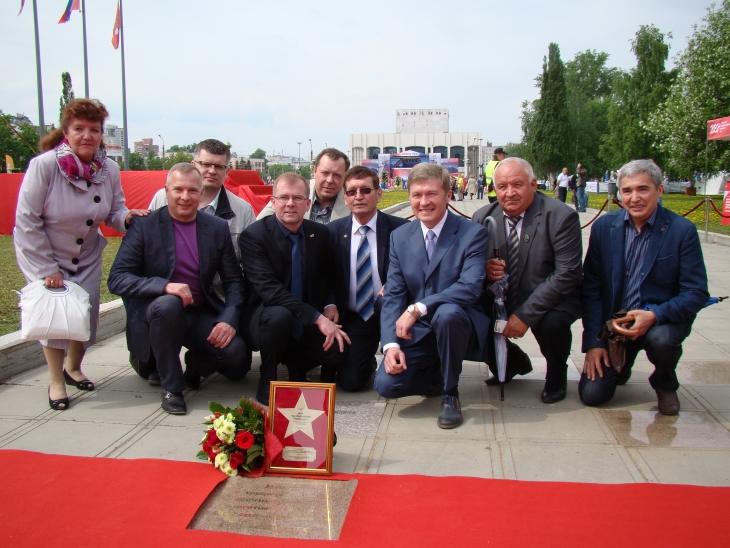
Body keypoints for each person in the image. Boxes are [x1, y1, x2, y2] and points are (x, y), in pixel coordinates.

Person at [13, 98, 147, 411]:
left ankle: (73, 368)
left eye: (94, 129)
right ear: (66, 132)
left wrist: (126, 218)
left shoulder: (109, 168)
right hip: (44, 252)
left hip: (85, 254)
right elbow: (26, 221)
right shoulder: (44, 166)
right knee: (56, 318)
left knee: (85, 317)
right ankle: (56, 381)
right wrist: (47, 267)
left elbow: (113, 210)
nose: (87, 135)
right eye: (79, 129)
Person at [108, 163, 248, 415]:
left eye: (193, 191)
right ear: (166, 191)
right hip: (158, 313)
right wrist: (163, 286)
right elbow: (116, 279)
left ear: (201, 192)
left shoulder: (216, 228)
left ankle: (194, 366)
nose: (185, 197)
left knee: (236, 353)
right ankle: (172, 388)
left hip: (197, 313)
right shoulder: (145, 225)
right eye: (178, 190)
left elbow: (234, 281)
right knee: (169, 303)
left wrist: (228, 319)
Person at [579, 159, 709, 415]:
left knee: (662, 341)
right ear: (619, 195)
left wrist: (654, 315)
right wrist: (594, 343)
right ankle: (622, 363)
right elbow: (592, 287)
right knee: (592, 396)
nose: (635, 198)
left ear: (659, 191)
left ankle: (664, 383)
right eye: (627, 191)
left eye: (643, 189)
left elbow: (696, 292)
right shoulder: (605, 227)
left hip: (660, 319)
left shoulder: (682, 231)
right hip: (617, 324)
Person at [375, 163, 490, 429]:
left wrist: (419, 307)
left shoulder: (472, 233)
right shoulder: (400, 237)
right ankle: (435, 373)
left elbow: (470, 287)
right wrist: (390, 345)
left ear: (448, 195)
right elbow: (393, 294)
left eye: (431, 194)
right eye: (417, 195)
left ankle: (451, 394)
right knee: (385, 385)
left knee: (447, 314)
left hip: (459, 322)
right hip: (421, 332)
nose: (423, 202)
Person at [472, 157, 582, 403]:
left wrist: (524, 315)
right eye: (502, 186)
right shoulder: (482, 217)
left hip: (547, 296)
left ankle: (556, 372)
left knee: (552, 322)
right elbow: (468, 268)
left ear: (533, 185)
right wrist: (484, 270)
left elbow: (568, 273)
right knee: (467, 316)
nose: (509, 193)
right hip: (502, 296)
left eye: (517, 185)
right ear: (494, 189)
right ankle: (512, 362)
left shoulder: (561, 217)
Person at [241, 173, 350, 405]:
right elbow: (270, 291)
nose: (290, 204)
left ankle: (297, 366)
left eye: (297, 198)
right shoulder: (254, 236)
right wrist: (317, 318)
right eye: (283, 198)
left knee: (338, 347)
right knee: (280, 316)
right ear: (273, 202)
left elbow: (326, 277)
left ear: (307, 204)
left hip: (305, 317)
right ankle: (268, 380)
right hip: (267, 316)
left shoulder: (319, 234)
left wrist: (329, 306)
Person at [328, 167, 409, 392]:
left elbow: (414, 271)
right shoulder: (333, 232)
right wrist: (330, 304)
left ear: (379, 193)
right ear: (345, 197)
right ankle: (369, 361)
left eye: (365, 190)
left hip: (393, 313)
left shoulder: (400, 229)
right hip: (356, 317)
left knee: (410, 373)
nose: (359, 196)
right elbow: (324, 277)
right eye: (352, 192)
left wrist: (394, 284)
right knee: (351, 383)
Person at [149, 139, 255, 268]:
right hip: (167, 284)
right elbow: (147, 247)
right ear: (193, 165)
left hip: (220, 287)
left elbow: (251, 263)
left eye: (219, 166)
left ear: (227, 172)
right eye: (206, 164)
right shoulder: (162, 198)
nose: (212, 171)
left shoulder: (243, 211)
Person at [256, 148, 350, 224]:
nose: (329, 180)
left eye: (337, 175)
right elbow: (258, 225)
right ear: (315, 171)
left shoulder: (352, 202)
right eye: (325, 173)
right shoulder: (294, 190)